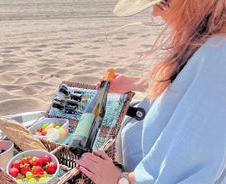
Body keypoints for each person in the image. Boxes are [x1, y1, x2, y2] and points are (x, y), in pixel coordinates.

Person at [75, 0, 226, 183]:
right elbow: (185, 87)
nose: (154, 12)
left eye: (162, 3)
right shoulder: (207, 39)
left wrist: (118, 180)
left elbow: (187, 173)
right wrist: (135, 83)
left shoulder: (218, 57)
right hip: (136, 164)